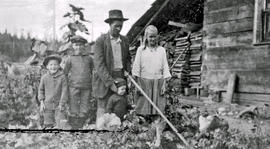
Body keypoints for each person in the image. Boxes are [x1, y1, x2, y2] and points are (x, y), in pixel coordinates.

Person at [132, 25, 171, 146]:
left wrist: (164, 84)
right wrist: (137, 84)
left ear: (157, 37)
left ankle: (158, 138)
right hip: (144, 83)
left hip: (158, 83)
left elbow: (165, 68)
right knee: (143, 112)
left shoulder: (162, 50)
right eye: (150, 37)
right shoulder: (140, 50)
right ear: (146, 37)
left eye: (155, 37)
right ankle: (144, 137)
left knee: (158, 112)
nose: (153, 39)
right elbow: (136, 68)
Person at [93, 9, 131, 119]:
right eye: (116, 26)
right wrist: (110, 83)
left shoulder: (125, 40)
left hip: (120, 77)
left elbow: (128, 58)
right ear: (110, 25)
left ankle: (116, 131)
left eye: (121, 26)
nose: (119, 28)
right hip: (104, 78)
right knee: (103, 106)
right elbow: (99, 65)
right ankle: (101, 131)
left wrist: (127, 70)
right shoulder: (101, 41)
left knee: (119, 105)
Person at [63, 35, 94, 129]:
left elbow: (92, 71)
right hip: (73, 86)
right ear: (73, 46)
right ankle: (73, 126)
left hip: (86, 86)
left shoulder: (89, 58)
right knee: (73, 106)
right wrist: (66, 86)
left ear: (84, 46)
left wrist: (92, 83)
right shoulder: (70, 59)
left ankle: (81, 125)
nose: (79, 47)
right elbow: (65, 73)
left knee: (84, 106)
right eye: (76, 45)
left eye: (81, 45)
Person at [38, 55, 68, 128]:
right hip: (47, 104)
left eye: (55, 64)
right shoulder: (44, 77)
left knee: (61, 123)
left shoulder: (62, 77)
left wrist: (62, 103)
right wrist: (42, 103)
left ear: (58, 66)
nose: (53, 67)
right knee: (48, 124)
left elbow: (65, 91)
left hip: (59, 105)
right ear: (47, 67)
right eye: (51, 65)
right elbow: (41, 90)